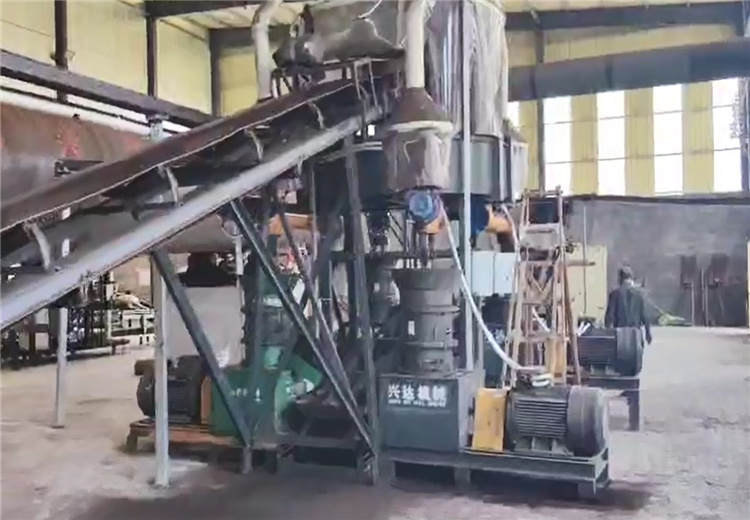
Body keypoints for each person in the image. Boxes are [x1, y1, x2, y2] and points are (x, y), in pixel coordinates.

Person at [604, 266, 652, 345]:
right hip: (635, 335)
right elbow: (645, 316)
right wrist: (648, 333)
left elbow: (609, 317)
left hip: (619, 335)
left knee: (619, 352)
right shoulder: (640, 294)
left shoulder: (614, 294)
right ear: (632, 278)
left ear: (620, 279)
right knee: (636, 352)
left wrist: (608, 333)